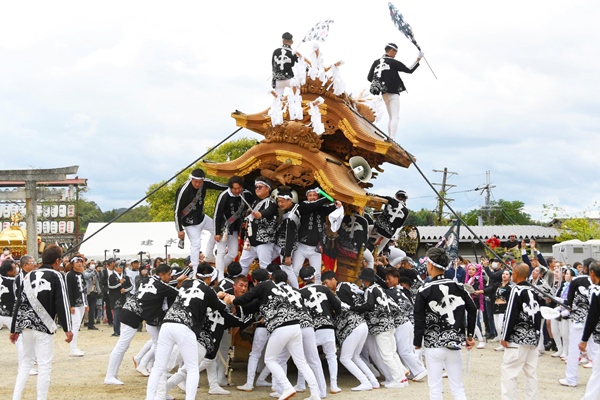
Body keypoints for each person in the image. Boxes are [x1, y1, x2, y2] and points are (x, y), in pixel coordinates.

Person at [232, 268, 321, 400]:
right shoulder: (274, 290)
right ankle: (315, 394)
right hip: (295, 325)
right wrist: (237, 308)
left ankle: (287, 387)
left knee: (270, 359)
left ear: (255, 281)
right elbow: (250, 306)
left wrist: (232, 300)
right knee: (301, 362)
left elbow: (247, 298)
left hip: (282, 327)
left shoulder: (263, 285)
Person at [145, 267, 233, 400]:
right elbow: (221, 307)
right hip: (185, 327)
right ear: (209, 279)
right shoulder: (209, 291)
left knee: (158, 367)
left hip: (167, 323)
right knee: (192, 369)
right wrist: (225, 301)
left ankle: (152, 398)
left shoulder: (186, 284)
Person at [10, 245, 73, 400]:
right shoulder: (56, 275)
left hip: (26, 325)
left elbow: (19, 303)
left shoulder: (27, 276)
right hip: (44, 326)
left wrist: (14, 329)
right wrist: (68, 328)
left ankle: (16, 397)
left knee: (26, 362)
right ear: (57, 261)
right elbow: (62, 302)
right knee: (44, 365)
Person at [413, 247, 477, 400]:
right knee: (457, 387)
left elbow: (419, 319)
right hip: (454, 343)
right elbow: (472, 309)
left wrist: (417, 343)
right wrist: (469, 335)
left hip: (433, 344)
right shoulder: (459, 287)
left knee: (435, 389)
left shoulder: (424, 290)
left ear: (430, 265)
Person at [104, 263, 178, 384]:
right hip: (132, 314)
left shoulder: (148, 279)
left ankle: (112, 375)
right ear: (161, 274)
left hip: (128, 309)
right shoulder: (161, 286)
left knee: (123, 346)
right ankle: (110, 375)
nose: (170, 277)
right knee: (122, 346)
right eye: (169, 275)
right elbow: (177, 292)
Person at [351, 267, 409, 389]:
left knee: (386, 354)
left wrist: (354, 308)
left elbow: (368, 305)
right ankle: (402, 378)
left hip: (380, 327)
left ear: (365, 280)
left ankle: (398, 380)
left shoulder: (370, 290)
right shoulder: (379, 288)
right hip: (390, 324)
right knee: (393, 353)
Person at [500, 263, 542, 400]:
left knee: (509, 371)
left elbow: (511, 312)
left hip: (517, 338)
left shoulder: (516, 290)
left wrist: (505, 335)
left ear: (516, 274)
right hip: (532, 337)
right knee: (531, 372)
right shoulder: (533, 291)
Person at [298, 265, 343, 393]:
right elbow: (337, 305)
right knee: (331, 356)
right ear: (314, 277)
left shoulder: (299, 293)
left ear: (301, 279)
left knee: (307, 357)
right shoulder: (324, 288)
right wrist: (335, 314)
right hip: (328, 325)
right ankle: (334, 385)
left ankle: (301, 384)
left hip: (312, 329)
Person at [175, 168, 227, 276]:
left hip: (202, 218)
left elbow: (219, 185)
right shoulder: (184, 190)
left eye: (200, 182)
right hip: (189, 223)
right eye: (195, 181)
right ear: (191, 179)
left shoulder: (205, 183)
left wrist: (232, 187)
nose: (197, 184)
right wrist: (179, 229)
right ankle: (195, 270)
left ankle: (209, 255)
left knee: (217, 230)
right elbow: (176, 211)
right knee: (196, 244)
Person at [367, 43, 422, 140]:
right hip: (393, 92)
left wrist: (380, 82)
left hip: (384, 94)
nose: (396, 54)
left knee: (391, 117)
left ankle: (390, 137)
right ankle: (392, 138)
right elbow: (409, 70)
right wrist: (418, 59)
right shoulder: (393, 62)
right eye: (395, 51)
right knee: (395, 117)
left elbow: (369, 78)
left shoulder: (376, 62)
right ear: (391, 50)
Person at [293, 183, 342, 284]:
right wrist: (327, 197)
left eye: (315, 195)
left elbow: (331, 207)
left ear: (318, 196)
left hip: (316, 247)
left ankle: (318, 292)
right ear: (307, 197)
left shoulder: (322, 208)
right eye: (310, 195)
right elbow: (314, 205)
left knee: (317, 274)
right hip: (301, 246)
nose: (312, 197)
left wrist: (337, 204)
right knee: (295, 271)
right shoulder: (303, 205)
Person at [559, 258, 594, 387]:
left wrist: (562, 308)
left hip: (579, 320)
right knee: (596, 352)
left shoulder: (577, 281)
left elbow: (569, 302)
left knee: (574, 350)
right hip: (595, 322)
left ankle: (571, 379)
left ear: (584, 268)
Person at [213, 175, 251, 280]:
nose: (237, 190)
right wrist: (216, 232)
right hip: (222, 228)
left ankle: (217, 270)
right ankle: (220, 276)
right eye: (235, 188)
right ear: (230, 187)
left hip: (234, 229)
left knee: (233, 252)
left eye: (239, 188)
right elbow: (217, 214)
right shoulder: (224, 195)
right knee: (220, 252)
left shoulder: (245, 194)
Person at [239, 176, 278, 276]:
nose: (257, 189)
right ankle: (241, 284)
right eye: (256, 187)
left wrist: (261, 214)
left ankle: (266, 289)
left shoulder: (271, 202)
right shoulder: (256, 202)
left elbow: (269, 212)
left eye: (260, 187)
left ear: (267, 189)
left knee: (264, 266)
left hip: (263, 241)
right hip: (251, 241)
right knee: (243, 263)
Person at [579, 261, 600, 399]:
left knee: (598, 371)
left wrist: (584, 339)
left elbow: (592, 316)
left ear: (592, 273)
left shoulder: (597, 291)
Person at [371, 189, 410, 254]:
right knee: (379, 248)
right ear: (405, 200)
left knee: (365, 230)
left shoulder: (390, 199)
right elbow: (399, 225)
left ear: (396, 196)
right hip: (389, 233)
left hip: (377, 228)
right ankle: (371, 258)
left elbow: (377, 197)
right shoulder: (406, 211)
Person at [65, 256, 88, 356]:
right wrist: (71, 305)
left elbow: (84, 290)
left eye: (81, 262)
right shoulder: (69, 275)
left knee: (78, 325)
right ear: (72, 264)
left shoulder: (81, 275)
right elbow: (68, 290)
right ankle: (72, 349)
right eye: (77, 262)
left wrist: (85, 303)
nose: (79, 264)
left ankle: (74, 347)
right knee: (75, 325)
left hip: (82, 303)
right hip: (74, 304)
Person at [83, 260, 101, 330]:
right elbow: (87, 276)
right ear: (88, 265)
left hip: (94, 292)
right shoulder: (85, 272)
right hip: (87, 293)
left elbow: (99, 278)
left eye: (94, 263)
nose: (93, 265)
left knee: (93, 309)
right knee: (86, 309)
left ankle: (91, 324)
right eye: (92, 263)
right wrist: (95, 271)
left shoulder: (95, 272)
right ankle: (82, 322)